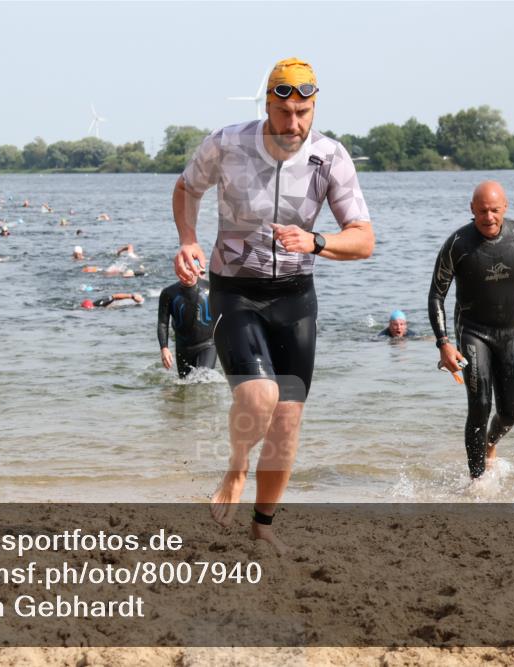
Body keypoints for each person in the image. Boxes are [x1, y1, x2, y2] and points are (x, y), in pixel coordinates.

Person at [172, 57, 373, 549]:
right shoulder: (227, 144)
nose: (295, 124)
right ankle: (236, 468)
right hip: (234, 289)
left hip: (295, 298)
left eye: (305, 112)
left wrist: (317, 243)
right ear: (268, 105)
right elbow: (186, 188)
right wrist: (188, 239)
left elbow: (364, 239)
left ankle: (262, 527)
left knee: (286, 421)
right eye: (286, 113)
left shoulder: (330, 157)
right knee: (259, 395)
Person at [428, 181, 514, 483]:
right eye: (482, 211)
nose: (489, 217)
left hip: (510, 334)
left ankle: (489, 444)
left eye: (495, 210)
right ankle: (477, 481)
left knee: (510, 413)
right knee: (480, 405)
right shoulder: (457, 244)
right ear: (472, 209)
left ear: (505, 207)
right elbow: (436, 295)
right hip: (474, 333)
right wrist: (444, 344)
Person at [158, 278, 216, 378]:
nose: (188, 270)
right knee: (185, 385)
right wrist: (164, 348)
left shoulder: (211, 288)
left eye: (192, 265)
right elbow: (163, 323)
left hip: (208, 344)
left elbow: (224, 315)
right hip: (183, 348)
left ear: (198, 268)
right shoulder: (168, 293)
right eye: (185, 266)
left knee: (202, 379)